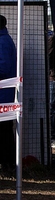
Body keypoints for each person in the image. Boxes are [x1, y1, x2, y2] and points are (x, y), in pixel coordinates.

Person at [0, 14, 17, 168]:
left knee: (4, 130)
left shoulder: (3, 42)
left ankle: (8, 163)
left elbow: (3, 69)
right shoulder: (5, 39)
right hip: (5, 94)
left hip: (3, 96)